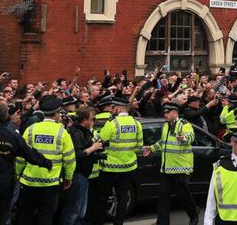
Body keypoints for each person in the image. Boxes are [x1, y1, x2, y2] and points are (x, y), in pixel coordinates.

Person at [15, 95, 76, 225]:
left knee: (25, 214)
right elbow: (69, 158)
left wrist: (17, 173)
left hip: (29, 181)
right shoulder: (62, 132)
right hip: (50, 183)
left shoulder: (31, 130)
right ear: (57, 113)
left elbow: (21, 155)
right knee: (46, 216)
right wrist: (68, 178)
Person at [142, 102, 198, 225]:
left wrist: (183, 138)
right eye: (164, 112)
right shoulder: (166, 125)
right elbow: (164, 142)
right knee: (163, 197)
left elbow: (191, 136)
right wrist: (152, 148)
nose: (165, 114)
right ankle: (162, 222)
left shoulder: (184, 124)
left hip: (181, 168)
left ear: (175, 113)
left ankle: (194, 213)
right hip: (166, 169)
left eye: (168, 112)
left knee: (183, 196)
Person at [91, 96, 143, 225]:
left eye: (113, 108)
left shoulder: (112, 123)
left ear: (118, 109)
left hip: (110, 167)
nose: (111, 110)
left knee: (103, 198)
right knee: (122, 197)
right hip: (128, 167)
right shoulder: (136, 124)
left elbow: (99, 139)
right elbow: (138, 147)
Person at [61, 106, 102, 225]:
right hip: (77, 175)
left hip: (83, 175)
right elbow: (77, 154)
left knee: (80, 212)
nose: (93, 121)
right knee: (73, 210)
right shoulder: (76, 133)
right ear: (84, 120)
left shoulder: (84, 132)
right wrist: (93, 148)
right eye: (92, 119)